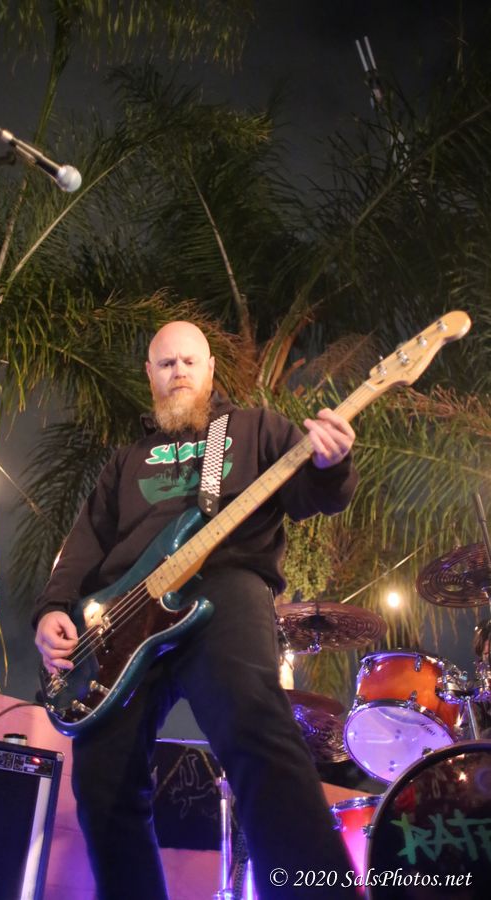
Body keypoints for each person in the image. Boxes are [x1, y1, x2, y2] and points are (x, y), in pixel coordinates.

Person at [34, 320, 360, 899]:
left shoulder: (256, 428)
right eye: (166, 364)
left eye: (189, 361)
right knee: (102, 781)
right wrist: (53, 608)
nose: (178, 372)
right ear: (150, 375)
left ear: (210, 369)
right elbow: (86, 543)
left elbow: (311, 495)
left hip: (225, 587)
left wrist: (331, 464)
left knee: (258, 733)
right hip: (122, 616)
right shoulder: (127, 459)